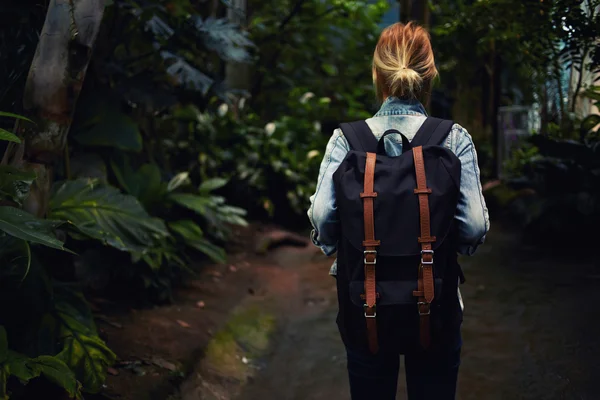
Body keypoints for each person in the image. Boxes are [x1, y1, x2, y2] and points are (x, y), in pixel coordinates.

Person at [307, 22, 490, 400]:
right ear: (430, 73)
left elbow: (324, 216)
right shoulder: (452, 137)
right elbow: (472, 226)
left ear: (378, 73)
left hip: (364, 301)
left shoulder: (348, 139)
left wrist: (337, 248)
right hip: (435, 302)